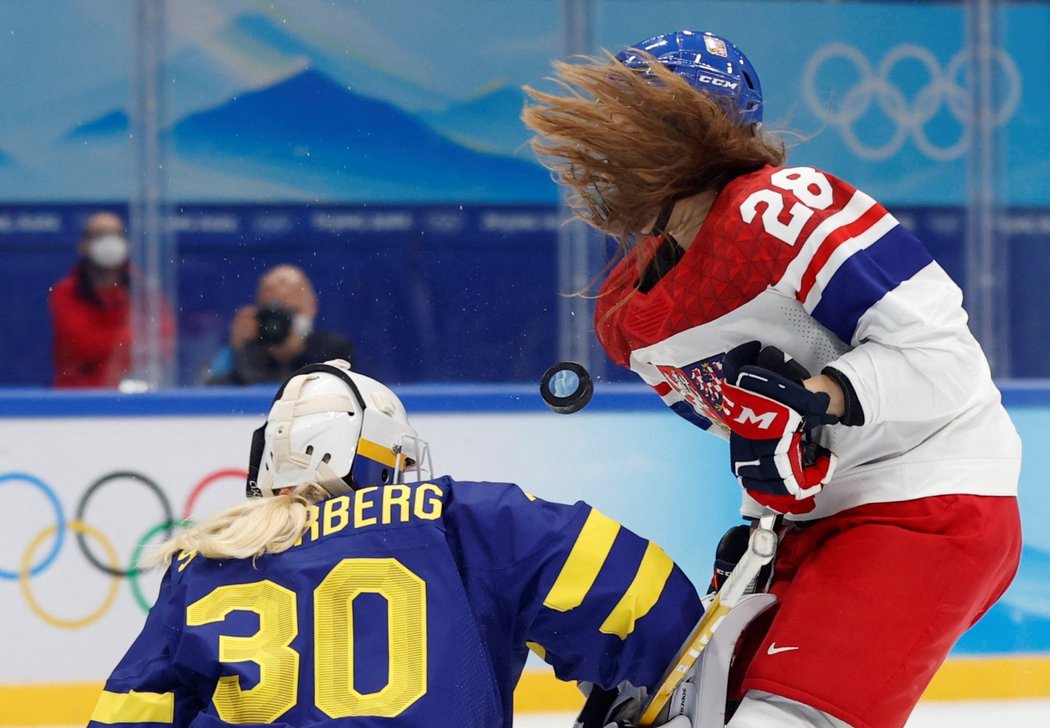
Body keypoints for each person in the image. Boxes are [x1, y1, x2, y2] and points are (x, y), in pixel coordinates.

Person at [523, 30, 1022, 728]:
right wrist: (766, 513)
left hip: (926, 502)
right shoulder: (624, 311)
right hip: (808, 528)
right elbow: (754, 426)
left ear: (687, 131)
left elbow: (945, 360)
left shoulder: (782, 209)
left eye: (629, 121)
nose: (606, 146)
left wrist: (822, 401)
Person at [89, 359, 701, 727]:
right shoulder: (463, 521)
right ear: (380, 458)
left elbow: (127, 715)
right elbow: (648, 597)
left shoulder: (206, 563)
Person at [49, 211, 172, 387]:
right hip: (78, 398)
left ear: (127, 243)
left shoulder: (143, 289)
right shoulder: (65, 291)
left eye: (115, 234)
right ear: (83, 245)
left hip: (132, 395)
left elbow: (161, 343)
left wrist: (125, 342)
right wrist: (131, 339)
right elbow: (83, 345)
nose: (108, 242)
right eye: (99, 235)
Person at [203, 264, 356, 385]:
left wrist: (298, 355)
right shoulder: (245, 350)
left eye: (292, 312)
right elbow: (210, 393)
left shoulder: (333, 349)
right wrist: (237, 349)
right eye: (275, 312)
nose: (281, 323)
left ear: (312, 307)